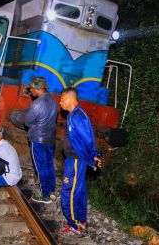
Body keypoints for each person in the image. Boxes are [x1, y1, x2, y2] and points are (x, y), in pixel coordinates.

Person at [57, 87, 102, 236]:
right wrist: (91, 158)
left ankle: (74, 224)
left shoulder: (76, 116)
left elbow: (88, 139)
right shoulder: (74, 115)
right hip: (77, 159)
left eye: (62, 99)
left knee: (68, 192)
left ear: (70, 99)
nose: (60, 102)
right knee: (80, 190)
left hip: (76, 160)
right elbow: (84, 138)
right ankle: (81, 220)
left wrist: (92, 157)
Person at [24, 77, 58, 204]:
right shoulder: (54, 102)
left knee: (40, 167)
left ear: (38, 88)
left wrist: (33, 125)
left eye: (32, 88)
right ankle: (52, 191)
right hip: (50, 139)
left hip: (37, 139)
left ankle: (44, 196)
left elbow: (27, 121)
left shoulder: (37, 103)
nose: (31, 91)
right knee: (49, 165)